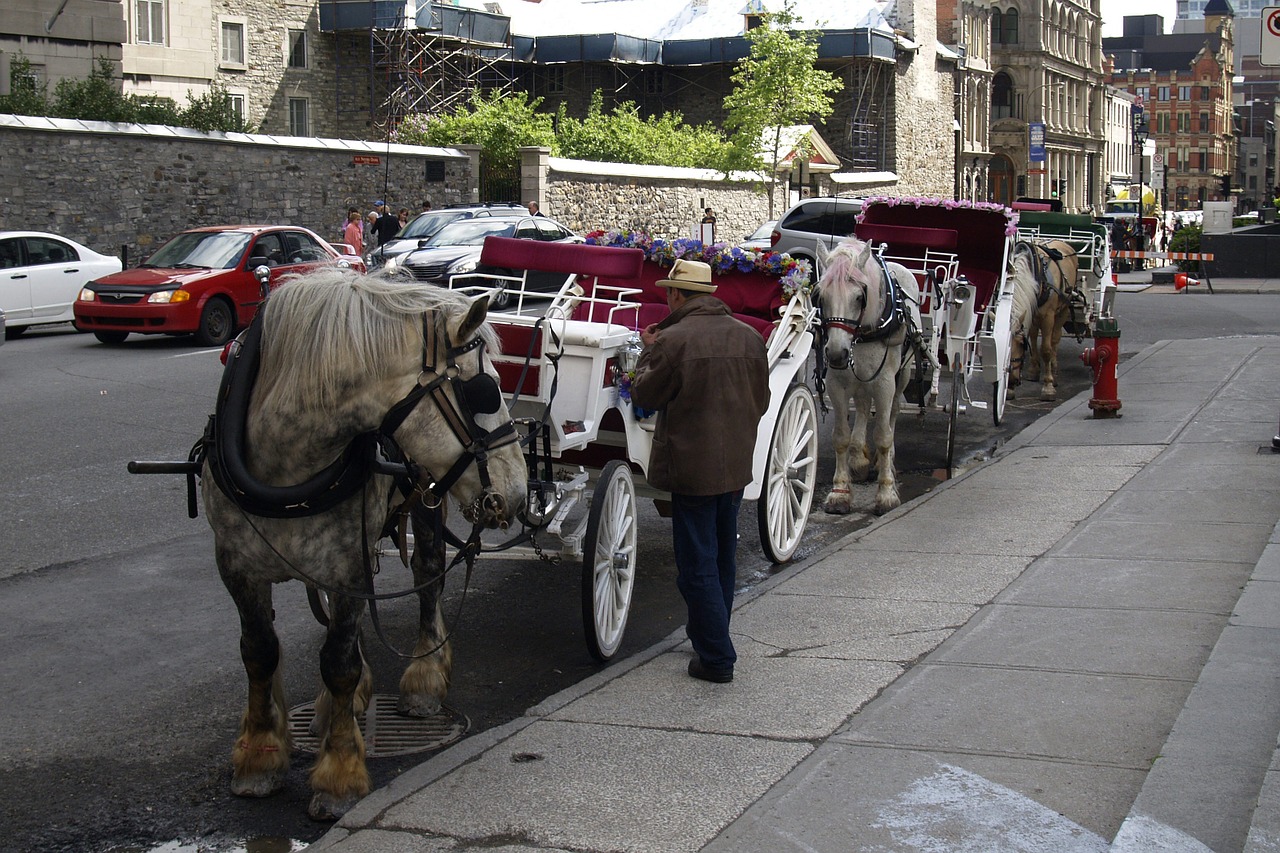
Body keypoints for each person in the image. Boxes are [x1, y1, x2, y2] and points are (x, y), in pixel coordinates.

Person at [629, 258, 769, 684]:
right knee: (721, 557)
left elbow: (645, 395)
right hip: (734, 465)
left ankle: (716, 656)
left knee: (697, 563)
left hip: (692, 465)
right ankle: (710, 636)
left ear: (676, 295)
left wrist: (649, 350)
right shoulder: (749, 338)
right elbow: (760, 400)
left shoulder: (673, 340)